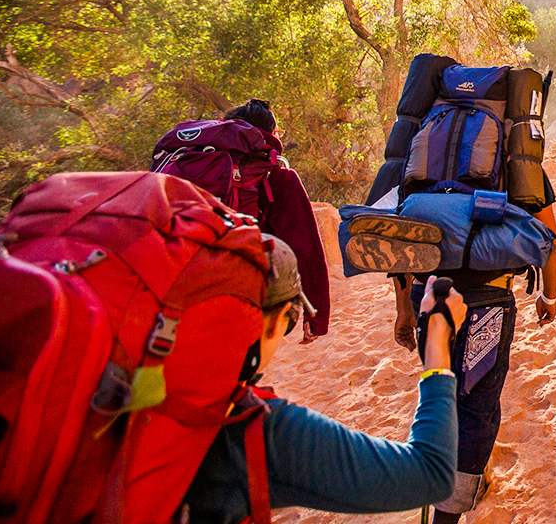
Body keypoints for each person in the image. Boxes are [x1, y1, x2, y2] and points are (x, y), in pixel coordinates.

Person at [181, 236, 461, 523]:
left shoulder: (153, 380)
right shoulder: (253, 429)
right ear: (279, 319)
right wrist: (438, 341)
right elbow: (430, 474)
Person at [389, 188, 556, 522]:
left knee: (444, 391)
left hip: (427, 293)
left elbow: (399, 240)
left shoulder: (420, 159)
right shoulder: (516, 160)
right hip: (488, 296)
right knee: (476, 406)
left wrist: (403, 310)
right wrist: (549, 297)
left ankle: (465, 479)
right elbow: (553, 242)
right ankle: (447, 516)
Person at [222, 98, 332, 341]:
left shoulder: (198, 167)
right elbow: (306, 249)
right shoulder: (277, 177)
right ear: (269, 135)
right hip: (247, 293)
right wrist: (317, 315)